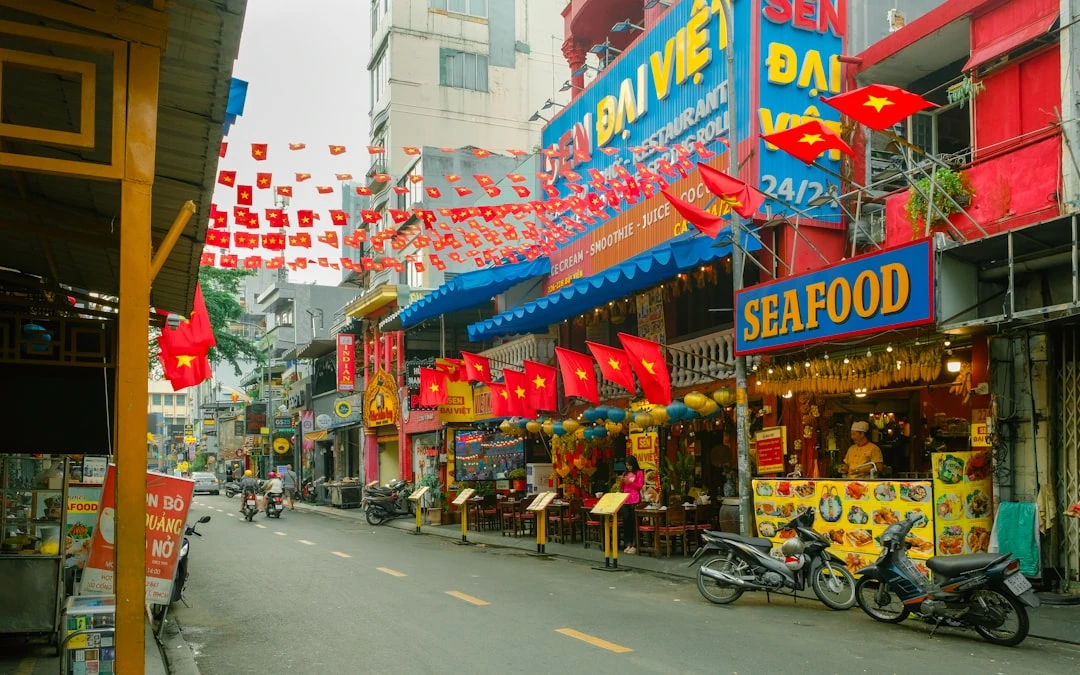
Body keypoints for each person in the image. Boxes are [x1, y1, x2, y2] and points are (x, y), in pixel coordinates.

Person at [618, 455, 645, 554]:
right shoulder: (625, 473)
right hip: (626, 500)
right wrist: (621, 481)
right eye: (627, 465)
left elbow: (639, 486)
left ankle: (635, 544)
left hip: (635, 499)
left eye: (630, 465)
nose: (628, 467)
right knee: (626, 523)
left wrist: (629, 482)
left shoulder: (639, 473)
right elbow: (622, 487)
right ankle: (627, 543)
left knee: (634, 523)